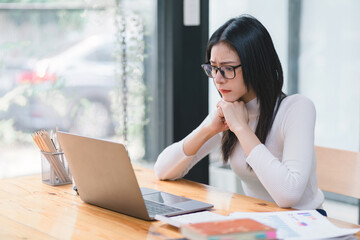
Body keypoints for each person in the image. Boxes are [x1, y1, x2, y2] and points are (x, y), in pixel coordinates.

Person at [154, 15, 325, 214]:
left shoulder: (297, 108)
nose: (218, 79)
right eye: (214, 68)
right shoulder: (231, 110)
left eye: (227, 68)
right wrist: (207, 128)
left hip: (307, 224)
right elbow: (163, 170)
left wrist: (241, 129)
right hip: (259, 222)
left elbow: (289, 195)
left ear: (256, 66)